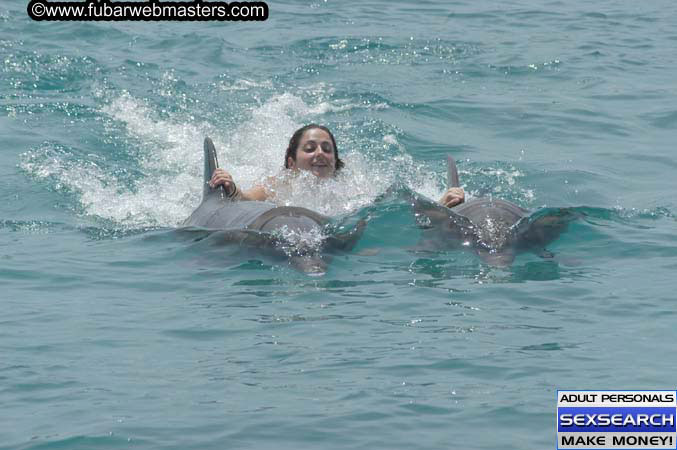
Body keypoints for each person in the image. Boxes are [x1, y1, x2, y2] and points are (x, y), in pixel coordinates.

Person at [208, 124, 465, 208]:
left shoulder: (351, 188)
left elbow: (392, 213)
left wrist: (440, 206)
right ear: (291, 162)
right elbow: (243, 200)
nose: (320, 153)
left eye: (326, 149)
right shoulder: (280, 185)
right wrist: (230, 187)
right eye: (309, 149)